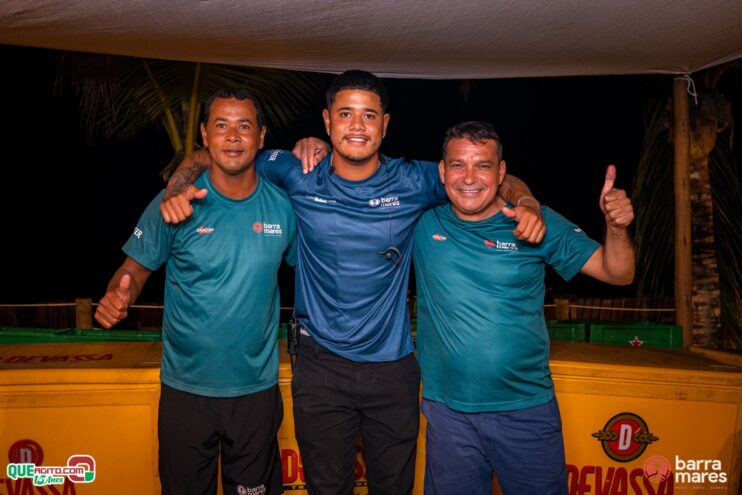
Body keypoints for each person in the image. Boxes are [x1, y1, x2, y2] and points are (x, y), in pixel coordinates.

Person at [159, 70, 545, 495]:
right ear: (327, 121)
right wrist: (176, 186)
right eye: (345, 114)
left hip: (392, 368)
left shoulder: (413, 180)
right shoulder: (297, 170)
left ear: (385, 124)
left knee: (393, 488)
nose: (357, 126)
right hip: (320, 366)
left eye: (368, 115)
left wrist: (527, 202)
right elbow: (217, 154)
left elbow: (488, 177)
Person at [412, 121, 635, 495]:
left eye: (483, 165)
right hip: (449, 415)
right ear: (442, 171)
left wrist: (616, 228)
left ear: (501, 172)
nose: (469, 178)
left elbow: (619, 273)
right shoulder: (422, 222)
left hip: (525, 412)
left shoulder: (535, 223)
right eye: (458, 165)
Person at [95, 89, 296, 495]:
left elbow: (315, 269)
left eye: (244, 126)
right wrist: (119, 294)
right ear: (205, 134)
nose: (233, 136)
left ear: (261, 137)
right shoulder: (173, 203)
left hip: (255, 393)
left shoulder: (284, 208)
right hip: (185, 391)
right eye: (221, 125)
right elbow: (133, 269)